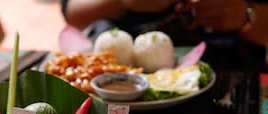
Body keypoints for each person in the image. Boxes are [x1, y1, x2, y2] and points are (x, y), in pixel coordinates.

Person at [60, 0, 268, 71]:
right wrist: (124, 2)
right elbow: (73, 13)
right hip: (121, 79)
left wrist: (246, 16)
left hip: (233, 84)